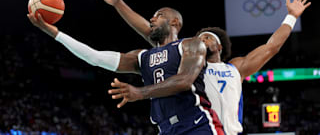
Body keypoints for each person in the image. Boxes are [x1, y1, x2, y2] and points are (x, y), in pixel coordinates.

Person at [91, 0, 311, 135]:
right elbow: (150, 32)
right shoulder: (189, 64)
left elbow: (271, 47)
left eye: (207, 38)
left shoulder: (235, 68)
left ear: (219, 47)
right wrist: (118, 4)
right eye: (200, 38)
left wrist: (291, 17)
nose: (201, 41)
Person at [27, 7, 225, 134]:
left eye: (159, 15)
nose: (152, 18)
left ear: (175, 22)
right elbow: (94, 57)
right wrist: (55, 34)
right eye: (153, 15)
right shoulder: (142, 57)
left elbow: (184, 81)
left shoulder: (191, 44)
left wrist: (140, 92)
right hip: (166, 129)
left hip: (197, 123)